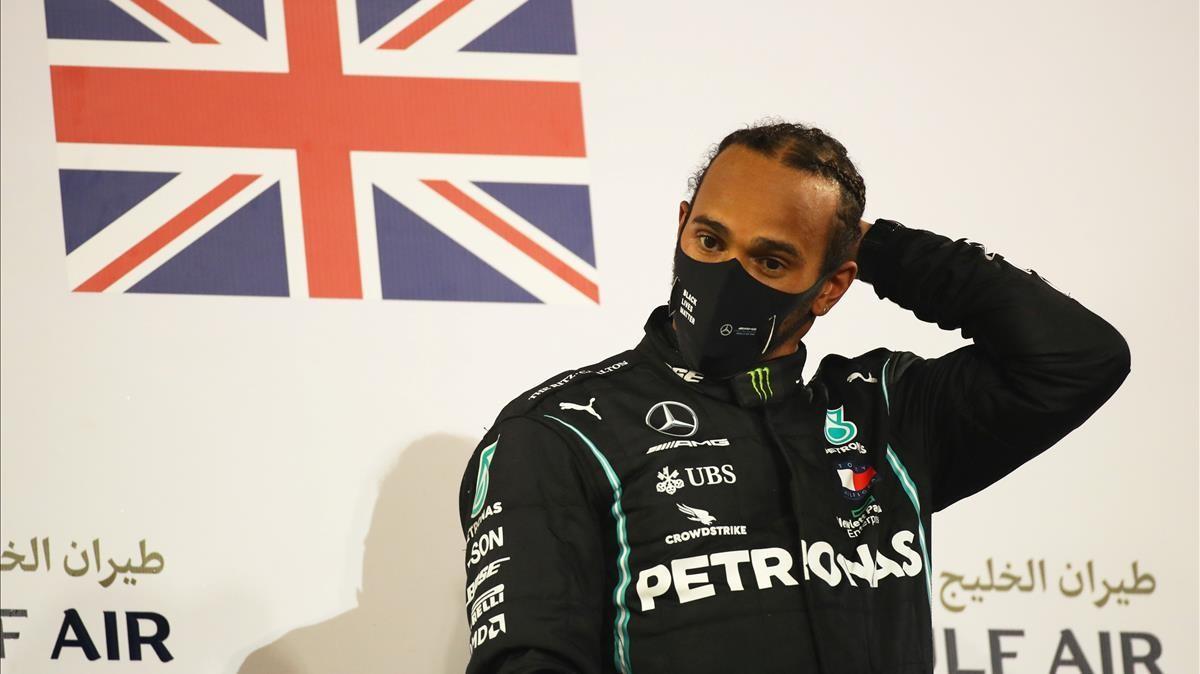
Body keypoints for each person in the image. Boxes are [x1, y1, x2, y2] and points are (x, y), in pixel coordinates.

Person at [456, 120, 1130, 673]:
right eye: (710, 240)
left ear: (832, 286)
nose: (725, 275)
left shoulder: (886, 413)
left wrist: (881, 250)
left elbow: (1077, 359)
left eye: (771, 260)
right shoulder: (562, 431)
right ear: (682, 225)